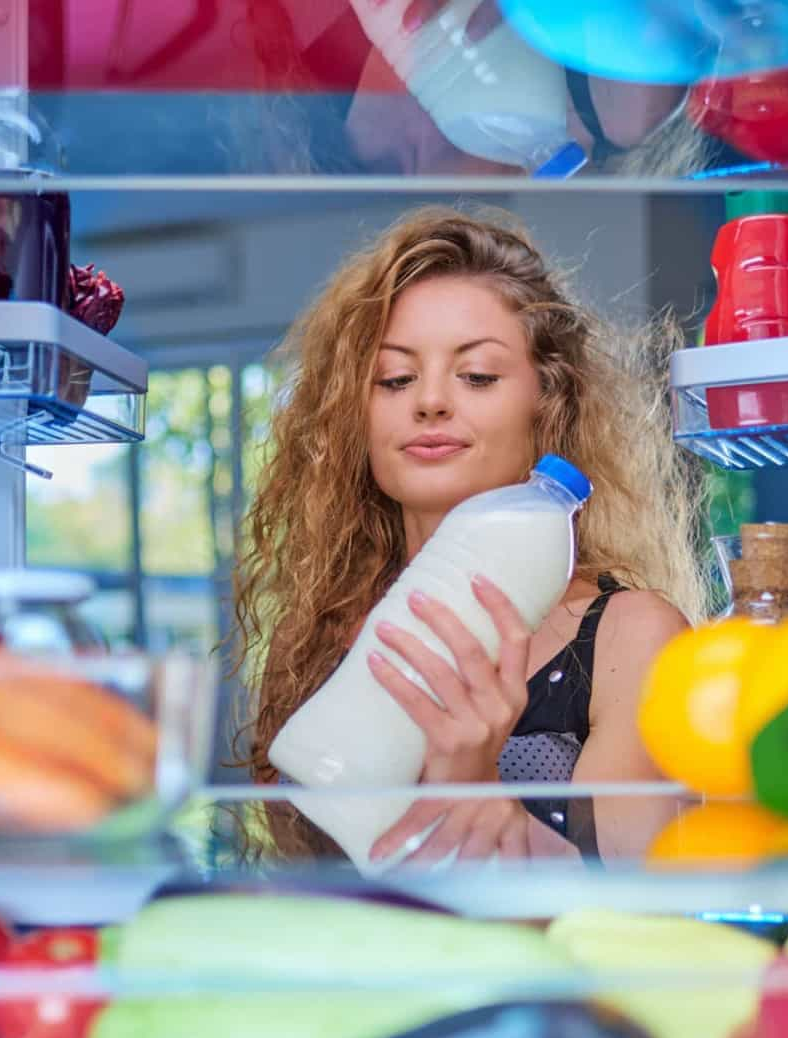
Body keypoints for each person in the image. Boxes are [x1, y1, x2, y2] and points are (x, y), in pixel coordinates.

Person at [232, 206, 710, 866]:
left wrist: (476, 789)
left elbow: (639, 920)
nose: (429, 402)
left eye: (477, 375)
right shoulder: (323, 631)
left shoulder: (629, 636)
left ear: (548, 402)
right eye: (395, 378)